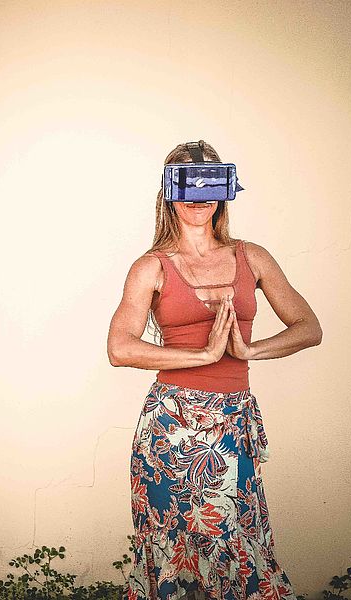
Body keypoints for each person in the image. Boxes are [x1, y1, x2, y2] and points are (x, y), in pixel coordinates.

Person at [107, 140, 323, 600]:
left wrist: (246, 351)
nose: (199, 194)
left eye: (211, 182)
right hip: (171, 429)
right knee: (172, 552)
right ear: (169, 191)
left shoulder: (252, 257)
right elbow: (119, 347)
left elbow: (309, 327)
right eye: (187, 182)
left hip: (232, 422)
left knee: (241, 547)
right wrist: (202, 357)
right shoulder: (152, 267)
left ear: (225, 189)